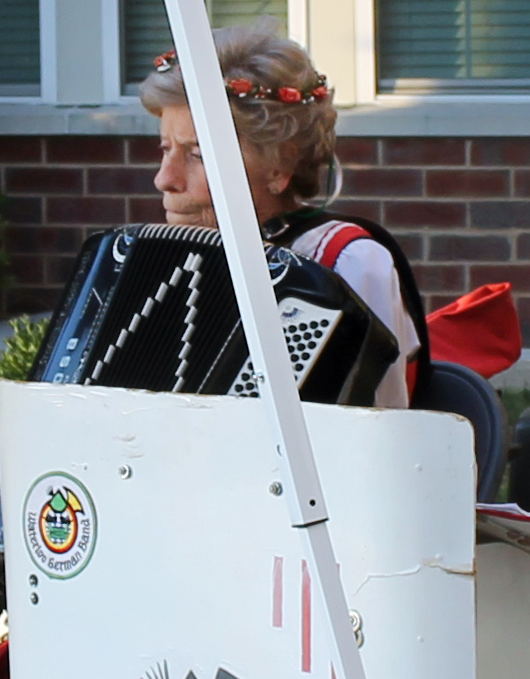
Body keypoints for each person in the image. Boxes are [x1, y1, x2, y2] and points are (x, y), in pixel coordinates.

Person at [139, 25, 426, 403]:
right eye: (165, 149)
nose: (165, 179)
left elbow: (380, 420)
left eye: (198, 154)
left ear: (280, 165)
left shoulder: (344, 261)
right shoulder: (161, 263)